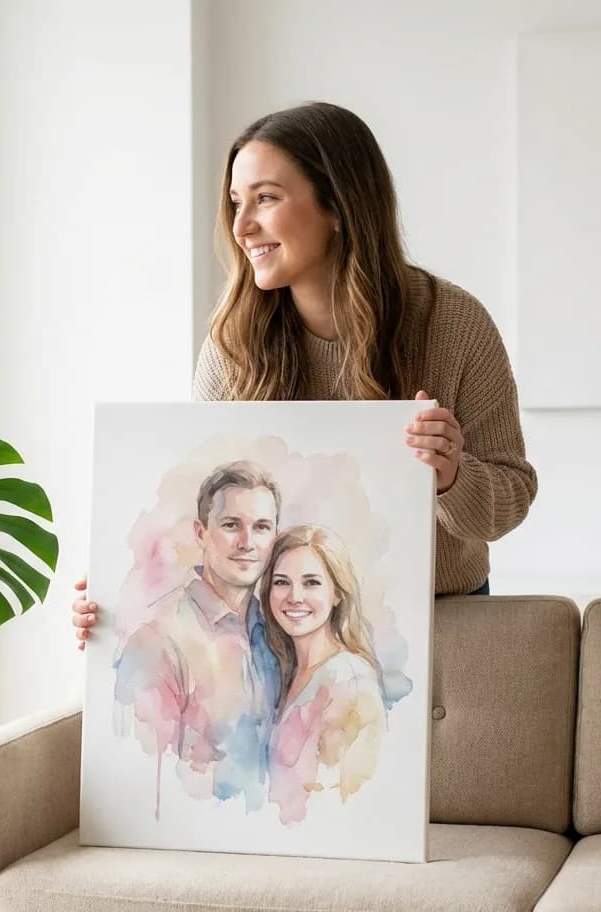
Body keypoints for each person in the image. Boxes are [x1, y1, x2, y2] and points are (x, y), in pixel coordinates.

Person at [73, 101, 536, 631]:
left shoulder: (453, 324)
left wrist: (451, 475)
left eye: (266, 198)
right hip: (286, 625)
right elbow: (203, 515)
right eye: (235, 202)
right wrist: (122, 590)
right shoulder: (232, 346)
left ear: (338, 205)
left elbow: (511, 501)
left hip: (441, 619)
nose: (242, 226)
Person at [112, 462, 281, 816]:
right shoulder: (155, 638)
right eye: (231, 525)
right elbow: (142, 794)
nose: (248, 543)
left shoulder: (277, 631)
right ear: (201, 533)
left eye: (261, 527)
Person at [261, 525, 387, 825]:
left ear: (337, 595)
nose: (294, 597)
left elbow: (343, 803)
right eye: (282, 582)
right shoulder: (286, 672)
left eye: (311, 583)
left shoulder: (347, 679)